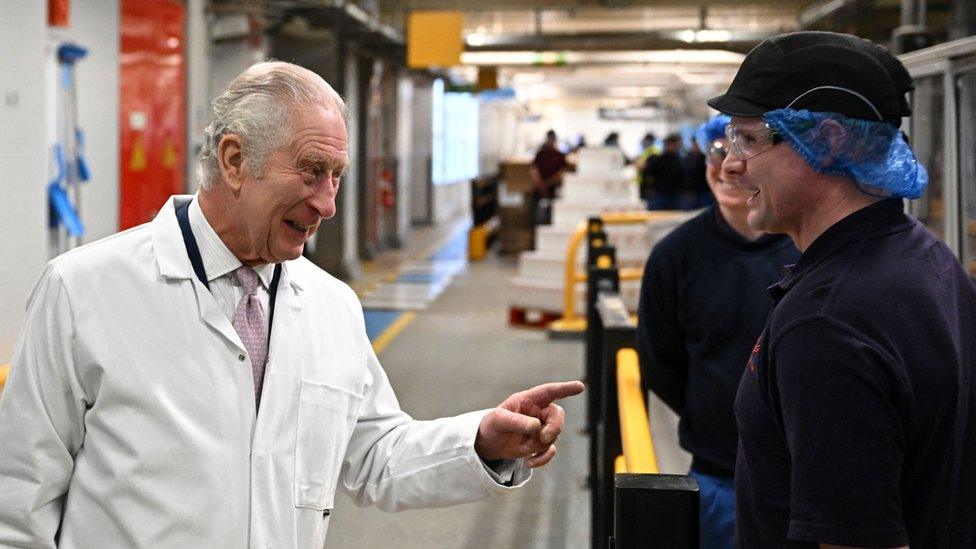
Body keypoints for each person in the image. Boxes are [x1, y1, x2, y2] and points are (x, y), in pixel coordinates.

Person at [0, 62, 584, 547]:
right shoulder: (83, 291)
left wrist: (480, 442)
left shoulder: (330, 306)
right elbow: (18, 496)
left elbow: (374, 454)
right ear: (233, 161)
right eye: (311, 172)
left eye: (336, 176)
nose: (328, 204)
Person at [708, 31, 976, 547]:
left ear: (828, 140)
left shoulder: (828, 323)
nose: (729, 164)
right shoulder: (926, 258)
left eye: (751, 138)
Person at [636, 114, 800, 549]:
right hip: (716, 473)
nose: (727, 165)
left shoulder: (807, 250)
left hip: (804, 479)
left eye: (743, 150)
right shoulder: (675, 256)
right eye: (717, 151)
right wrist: (714, 415)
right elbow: (660, 363)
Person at [643, 133, 685, 210]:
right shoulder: (656, 159)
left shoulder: (680, 159)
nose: (679, 147)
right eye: (678, 144)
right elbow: (647, 174)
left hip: (675, 194)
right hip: (659, 194)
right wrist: (648, 188)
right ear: (670, 144)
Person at [680, 134, 713, 209]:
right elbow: (685, 176)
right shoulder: (687, 158)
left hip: (705, 192)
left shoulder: (708, 158)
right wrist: (687, 191)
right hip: (690, 193)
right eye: (695, 143)